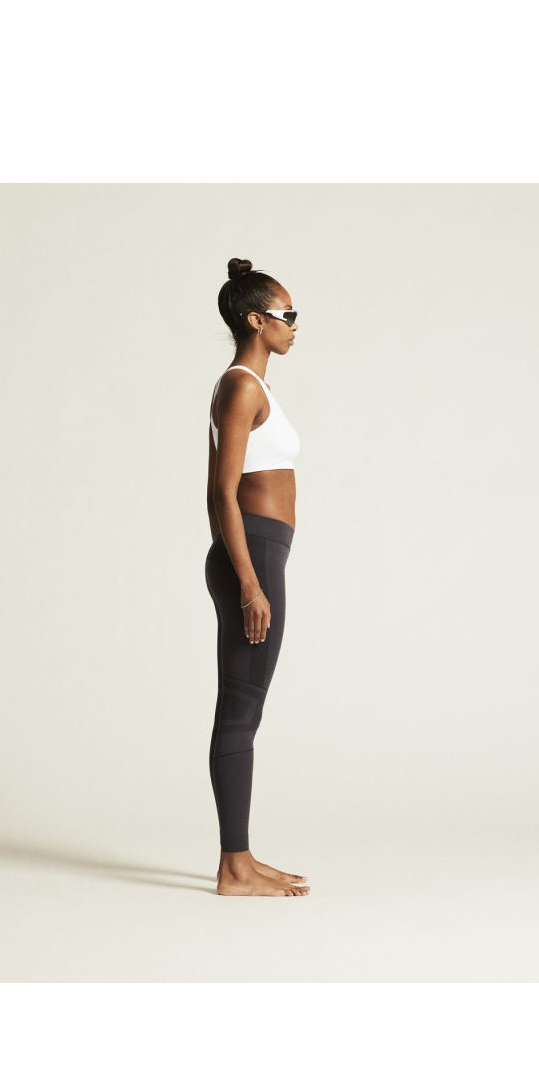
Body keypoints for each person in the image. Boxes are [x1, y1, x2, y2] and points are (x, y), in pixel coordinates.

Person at [205, 257, 310, 896]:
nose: (295, 325)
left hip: (260, 552)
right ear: (255, 320)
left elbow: (217, 489)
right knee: (240, 712)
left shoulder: (250, 388)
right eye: (286, 315)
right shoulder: (241, 386)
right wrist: (248, 582)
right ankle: (234, 866)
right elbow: (222, 492)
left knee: (246, 709)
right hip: (253, 556)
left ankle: (241, 859)